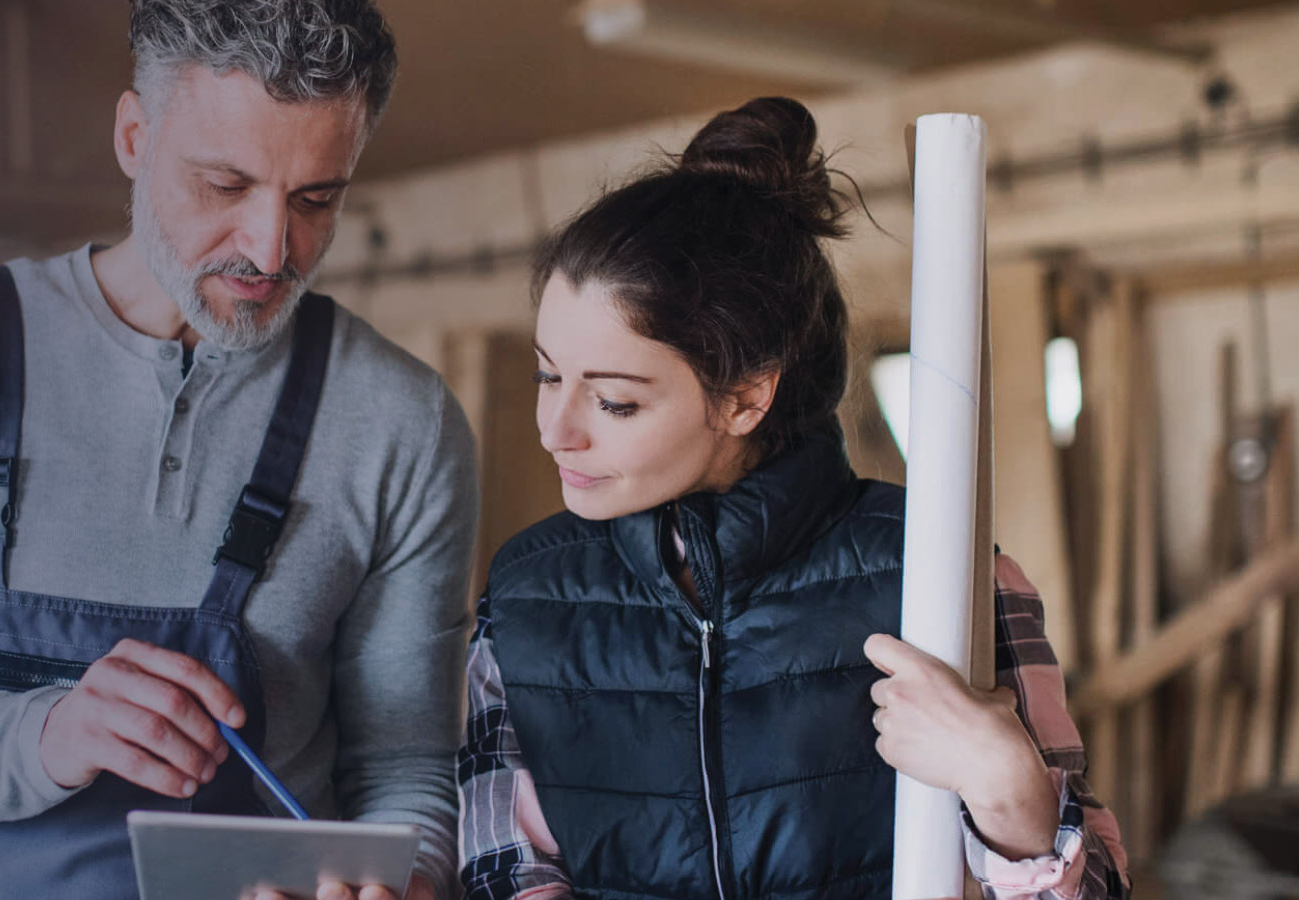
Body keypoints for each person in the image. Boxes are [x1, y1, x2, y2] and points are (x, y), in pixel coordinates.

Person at [0, 3, 474, 899]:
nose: (272, 249)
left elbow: (407, 770)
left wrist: (405, 879)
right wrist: (47, 737)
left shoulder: (402, 418)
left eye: (317, 198)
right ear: (133, 135)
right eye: (224, 185)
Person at [455, 97, 1128, 900]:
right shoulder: (527, 598)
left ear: (745, 397)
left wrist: (1009, 789)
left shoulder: (942, 580)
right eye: (547, 375)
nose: (553, 430)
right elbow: (506, 869)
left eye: (615, 402)